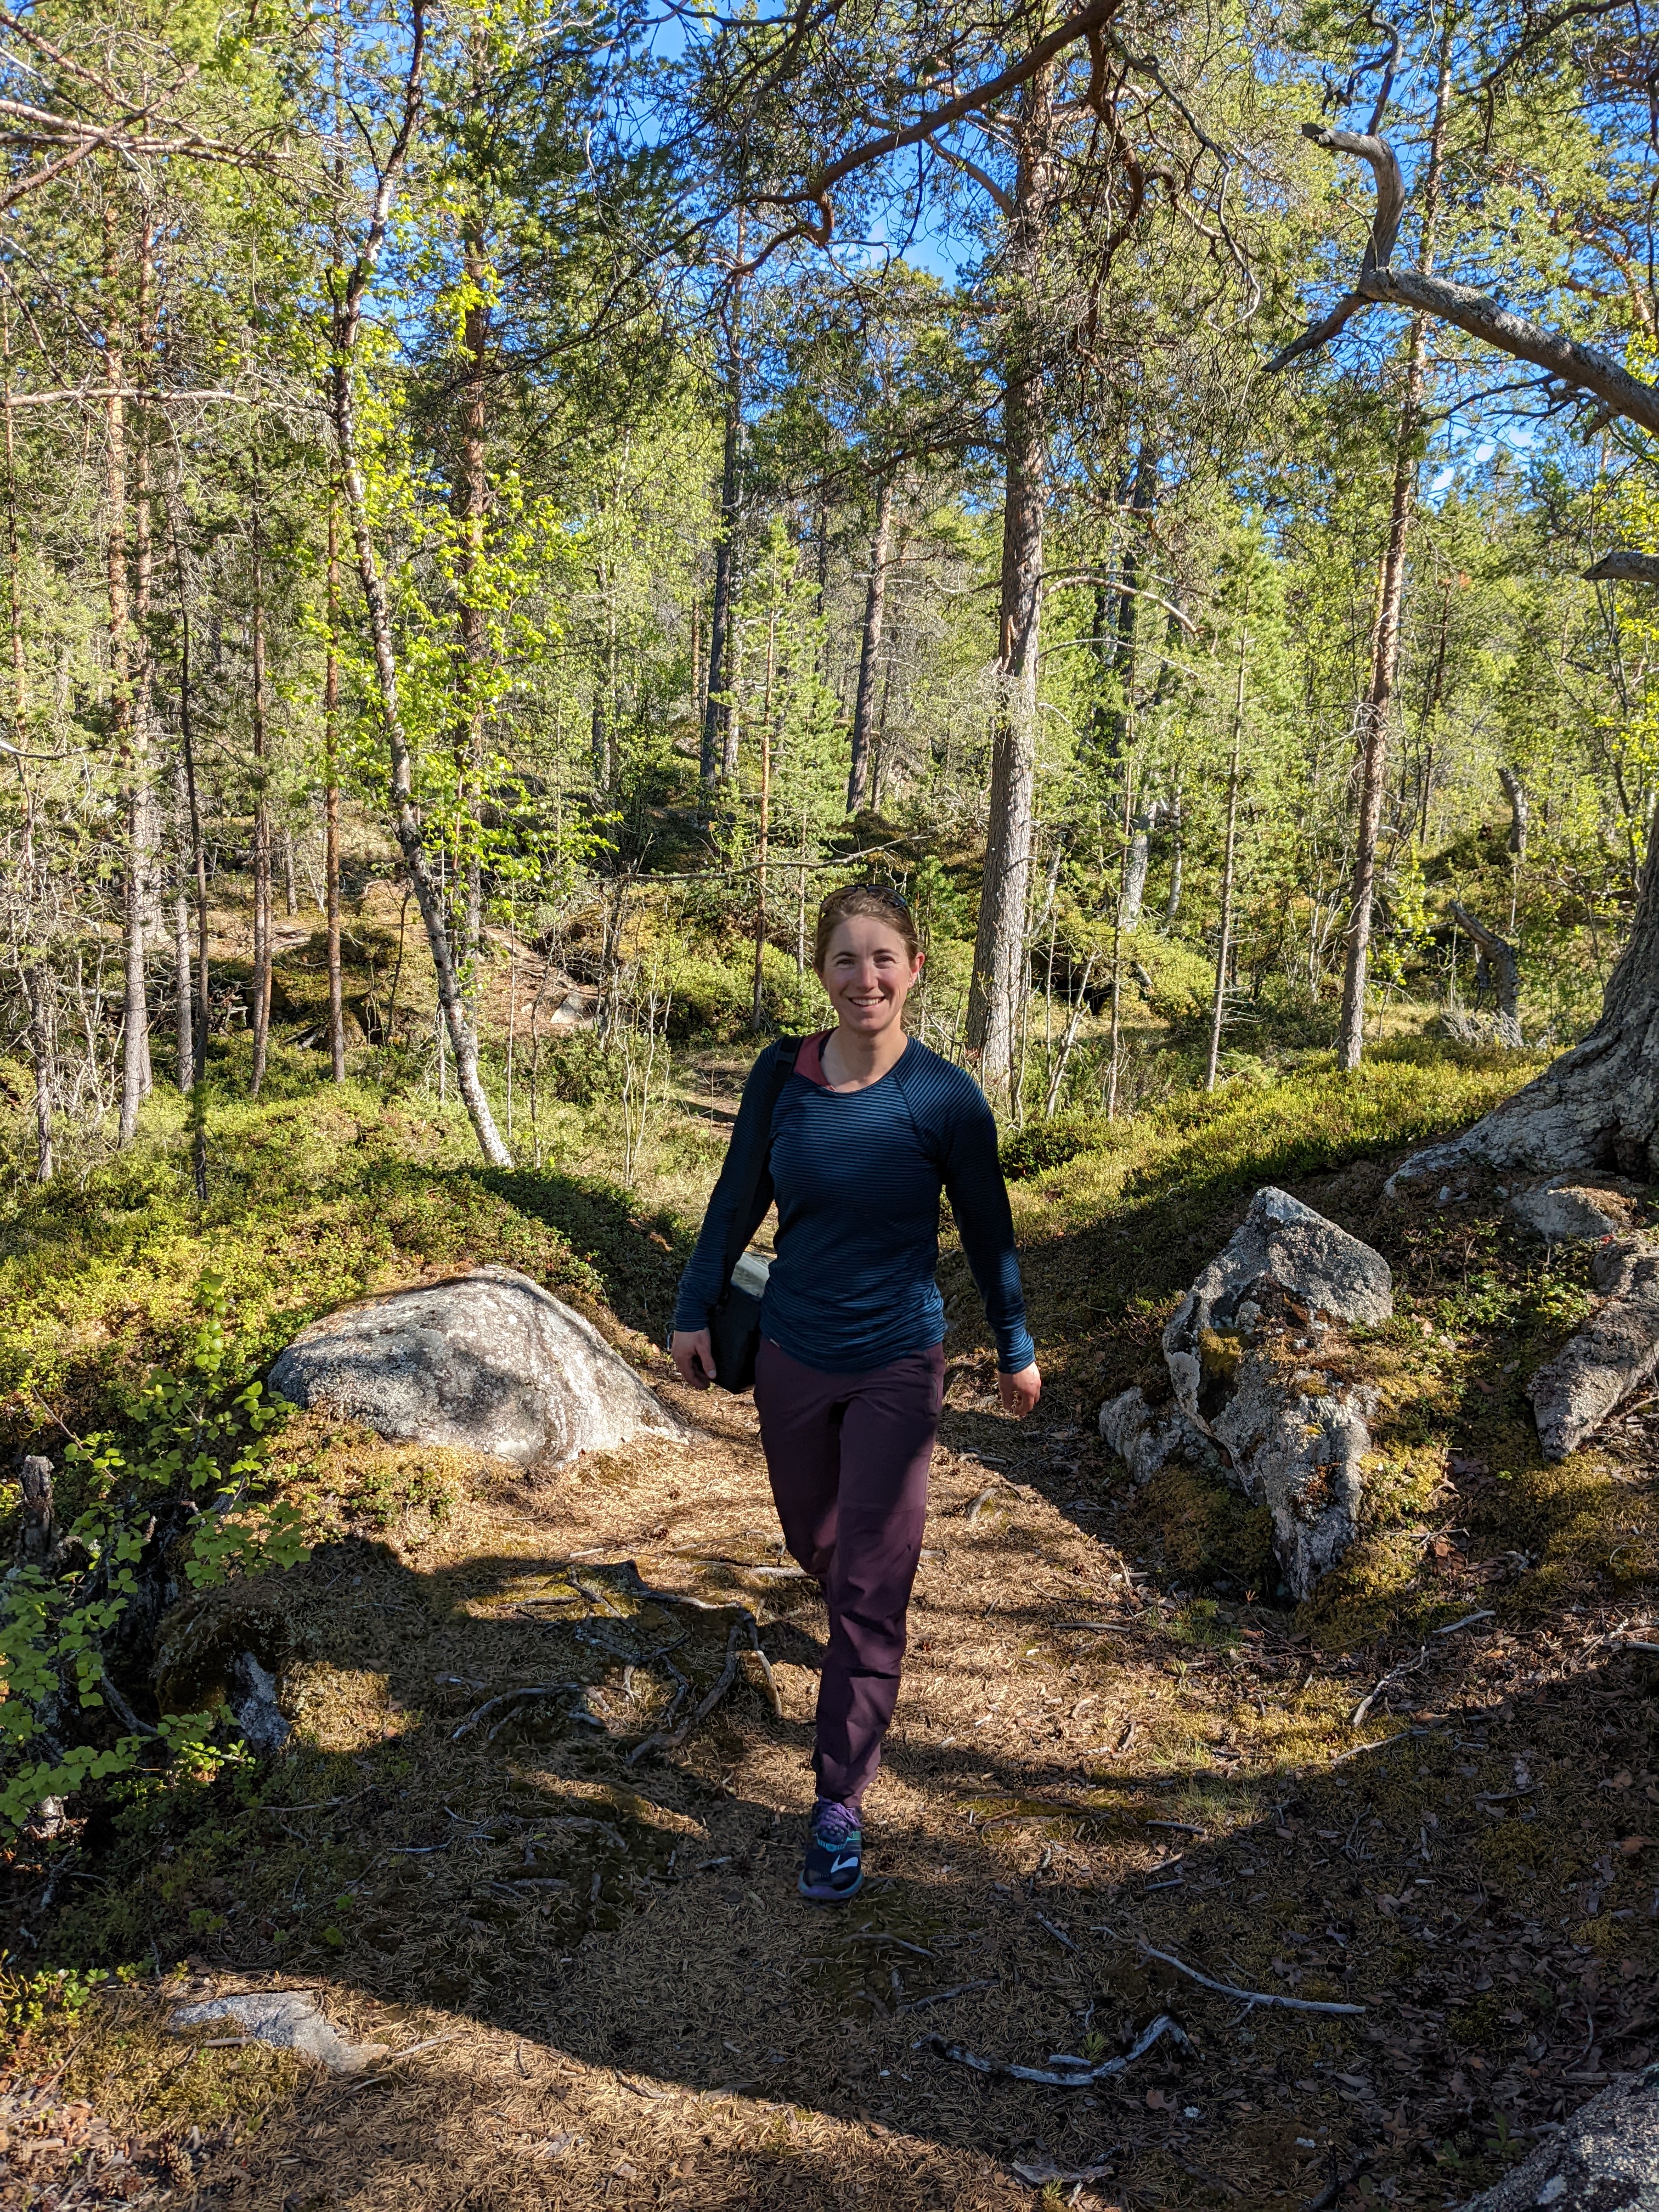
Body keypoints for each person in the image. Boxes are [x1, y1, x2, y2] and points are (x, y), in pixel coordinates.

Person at [670, 882, 1040, 1903]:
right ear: (821, 973)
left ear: (916, 969)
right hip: (792, 1350)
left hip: (898, 1361)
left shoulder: (946, 1100)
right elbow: (738, 1194)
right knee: (818, 1544)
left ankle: (838, 1804)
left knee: (873, 1586)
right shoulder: (780, 1076)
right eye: (845, 959)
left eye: (884, 958)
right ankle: (854, 1625)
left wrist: (1016, 1347)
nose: (864, 978)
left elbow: (988, 1231)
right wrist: (695, 1304)